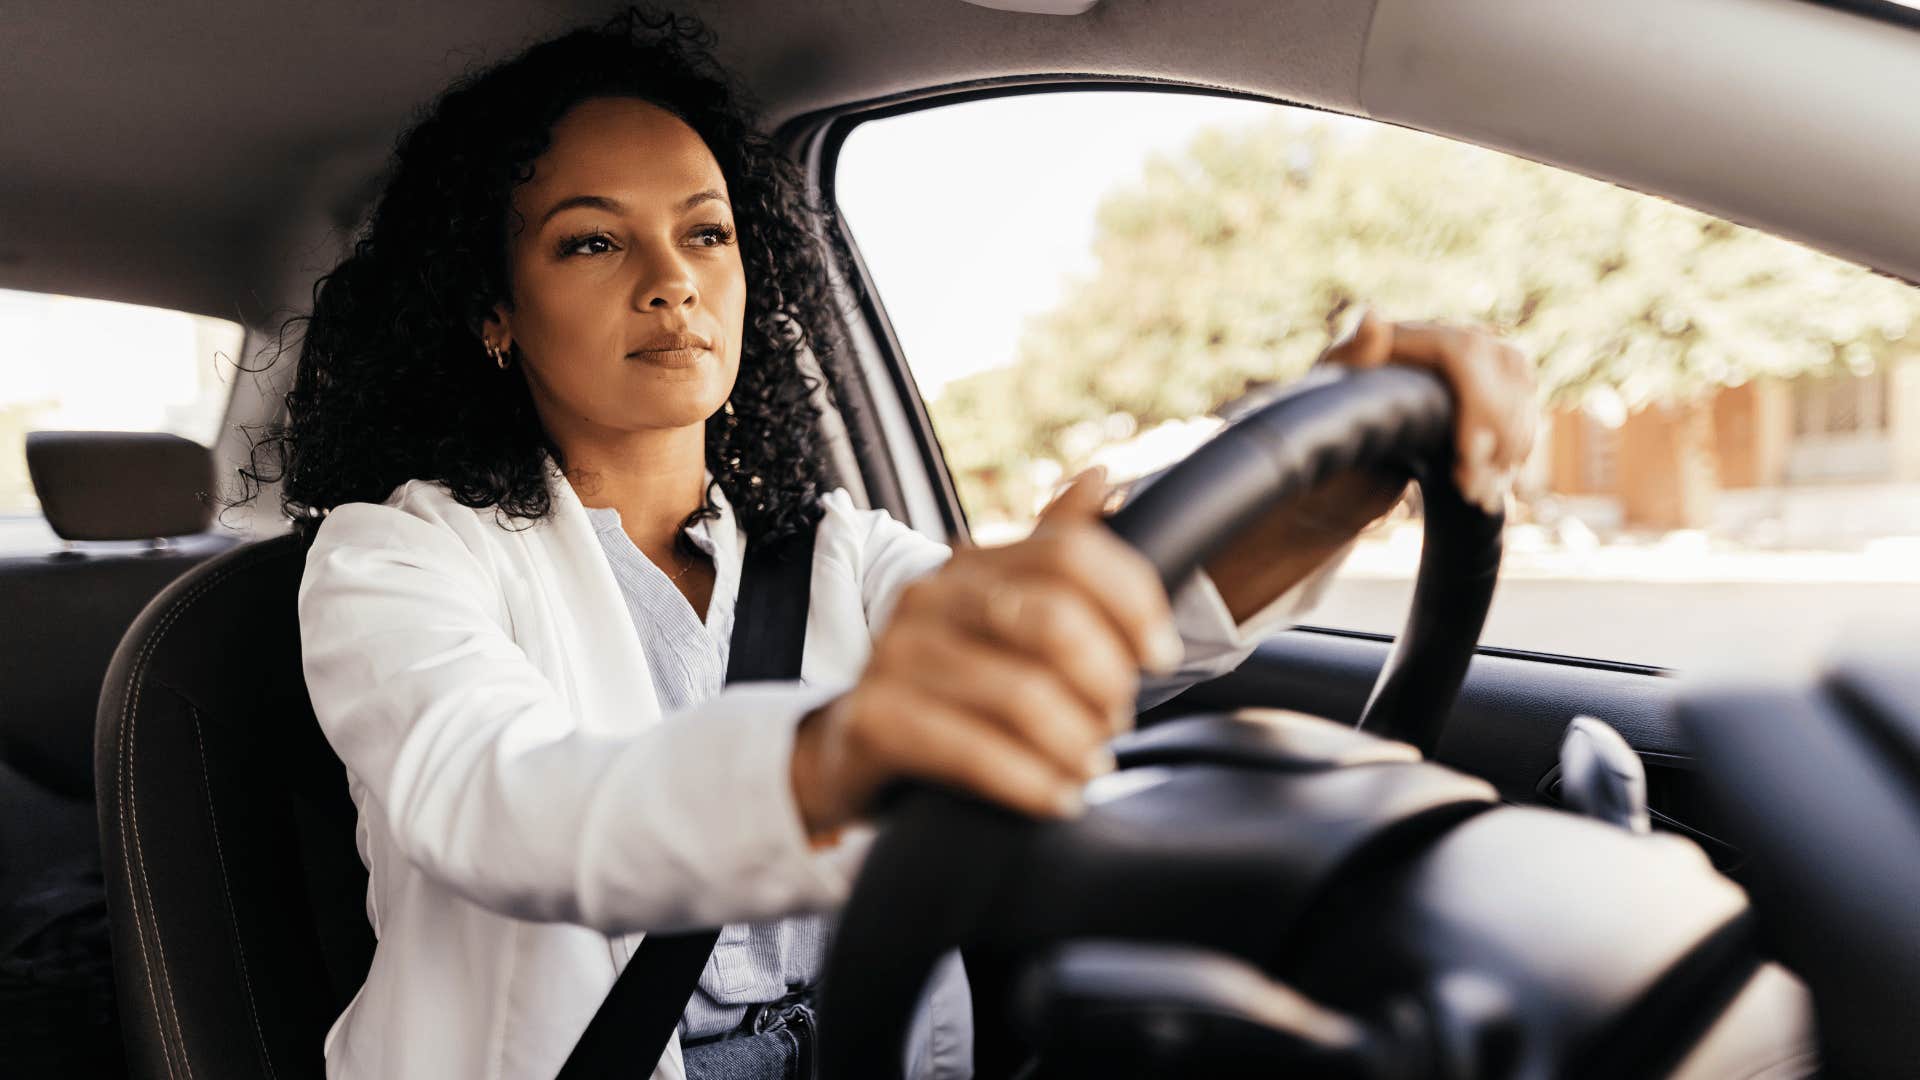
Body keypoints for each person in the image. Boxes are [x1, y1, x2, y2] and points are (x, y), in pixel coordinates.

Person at [254, 8, 1536, 1079]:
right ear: (492, 310)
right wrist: (840, 752)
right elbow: (499, 801)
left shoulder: (838, 553)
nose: (674, 279)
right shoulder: (396, 558)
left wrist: (1322, 493)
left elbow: (1107, 637)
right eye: (593, 240)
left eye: (705, 231)